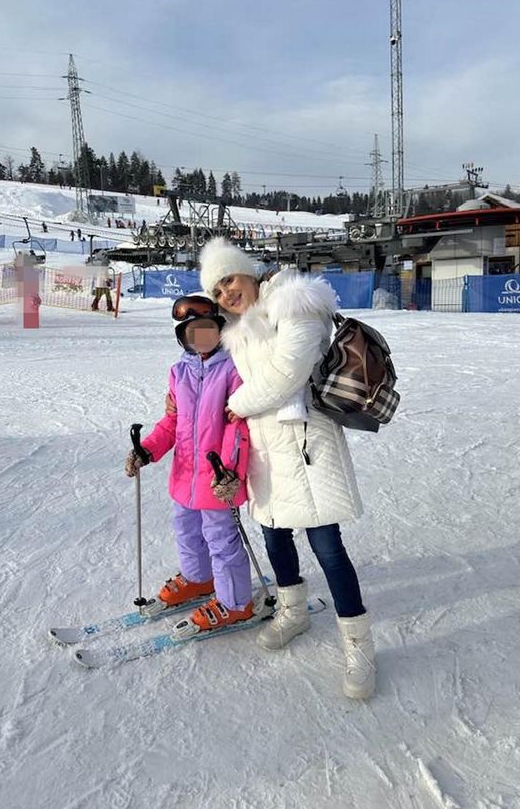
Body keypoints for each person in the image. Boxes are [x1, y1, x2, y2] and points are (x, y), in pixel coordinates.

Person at [198, 237, 376, 699]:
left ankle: (359, 645)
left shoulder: (294, 303)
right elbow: (222, 373)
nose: (226, 294)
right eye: (217, 291)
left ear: (247, 271)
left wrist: (235, 406)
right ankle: (293, 611)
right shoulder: (239, 329)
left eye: (229, 280)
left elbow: (285, 375)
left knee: (327, 545)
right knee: (274, 534)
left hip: (305, 445)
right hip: (264, 450)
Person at [125, 295, 254, 632]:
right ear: (182, 336)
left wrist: (227, 471)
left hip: (216, 477)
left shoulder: (232, 370)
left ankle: (235, 602)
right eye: (193, 332)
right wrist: (148, 450)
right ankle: (198, 578)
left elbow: (236, 427)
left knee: (221, 538)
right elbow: (172, 423)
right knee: (186, 529)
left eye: (208, 329)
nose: (202, 337)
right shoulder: (178, 372)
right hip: (184, 474)